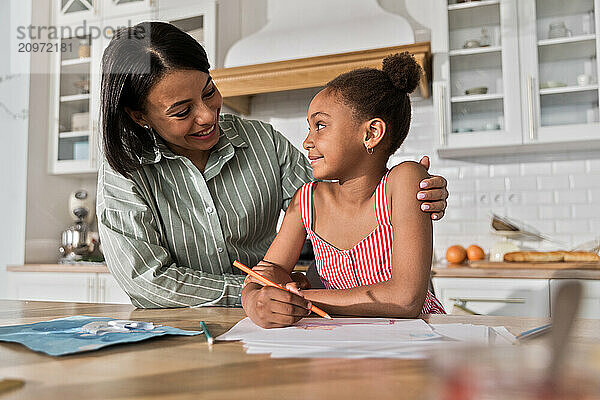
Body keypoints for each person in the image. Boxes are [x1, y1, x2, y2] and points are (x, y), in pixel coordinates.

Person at [97, 21, 449, 309]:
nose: (207, 115)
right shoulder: (124, 168)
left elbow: (336, 198)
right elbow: (147, 282)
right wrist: (256, 296)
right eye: (182, 111)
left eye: (208, 92)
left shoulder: (264, 143)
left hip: (283, 317)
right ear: (139, 116)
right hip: (186, 327)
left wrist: (413, 194)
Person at [242, 53, 444, 328]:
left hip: (414, 339)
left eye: (320, 125)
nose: (307, 141)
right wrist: (255, 301)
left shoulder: (404, 180)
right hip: (342, 339)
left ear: (371, 133)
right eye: (309, 128)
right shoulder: (306, 200)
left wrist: (302, 299)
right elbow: (265, 273)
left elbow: (405, 299)